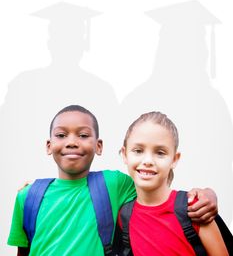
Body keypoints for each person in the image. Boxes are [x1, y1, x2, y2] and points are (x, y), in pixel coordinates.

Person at [8, 105, 218, 256]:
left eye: (82, 135)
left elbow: (155, 190)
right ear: (48, 145)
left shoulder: (114, 184)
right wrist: (31, 192)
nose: (71, 142)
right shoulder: (28, 196)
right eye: (61, 135)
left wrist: (207, 193)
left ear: (99, 146)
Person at [119, 111, 229, 255]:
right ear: (125, 154)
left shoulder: (195, 209)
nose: (147, 161)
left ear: (174, 159)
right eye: (138, 150)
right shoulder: (123, 216)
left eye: (160, 153)